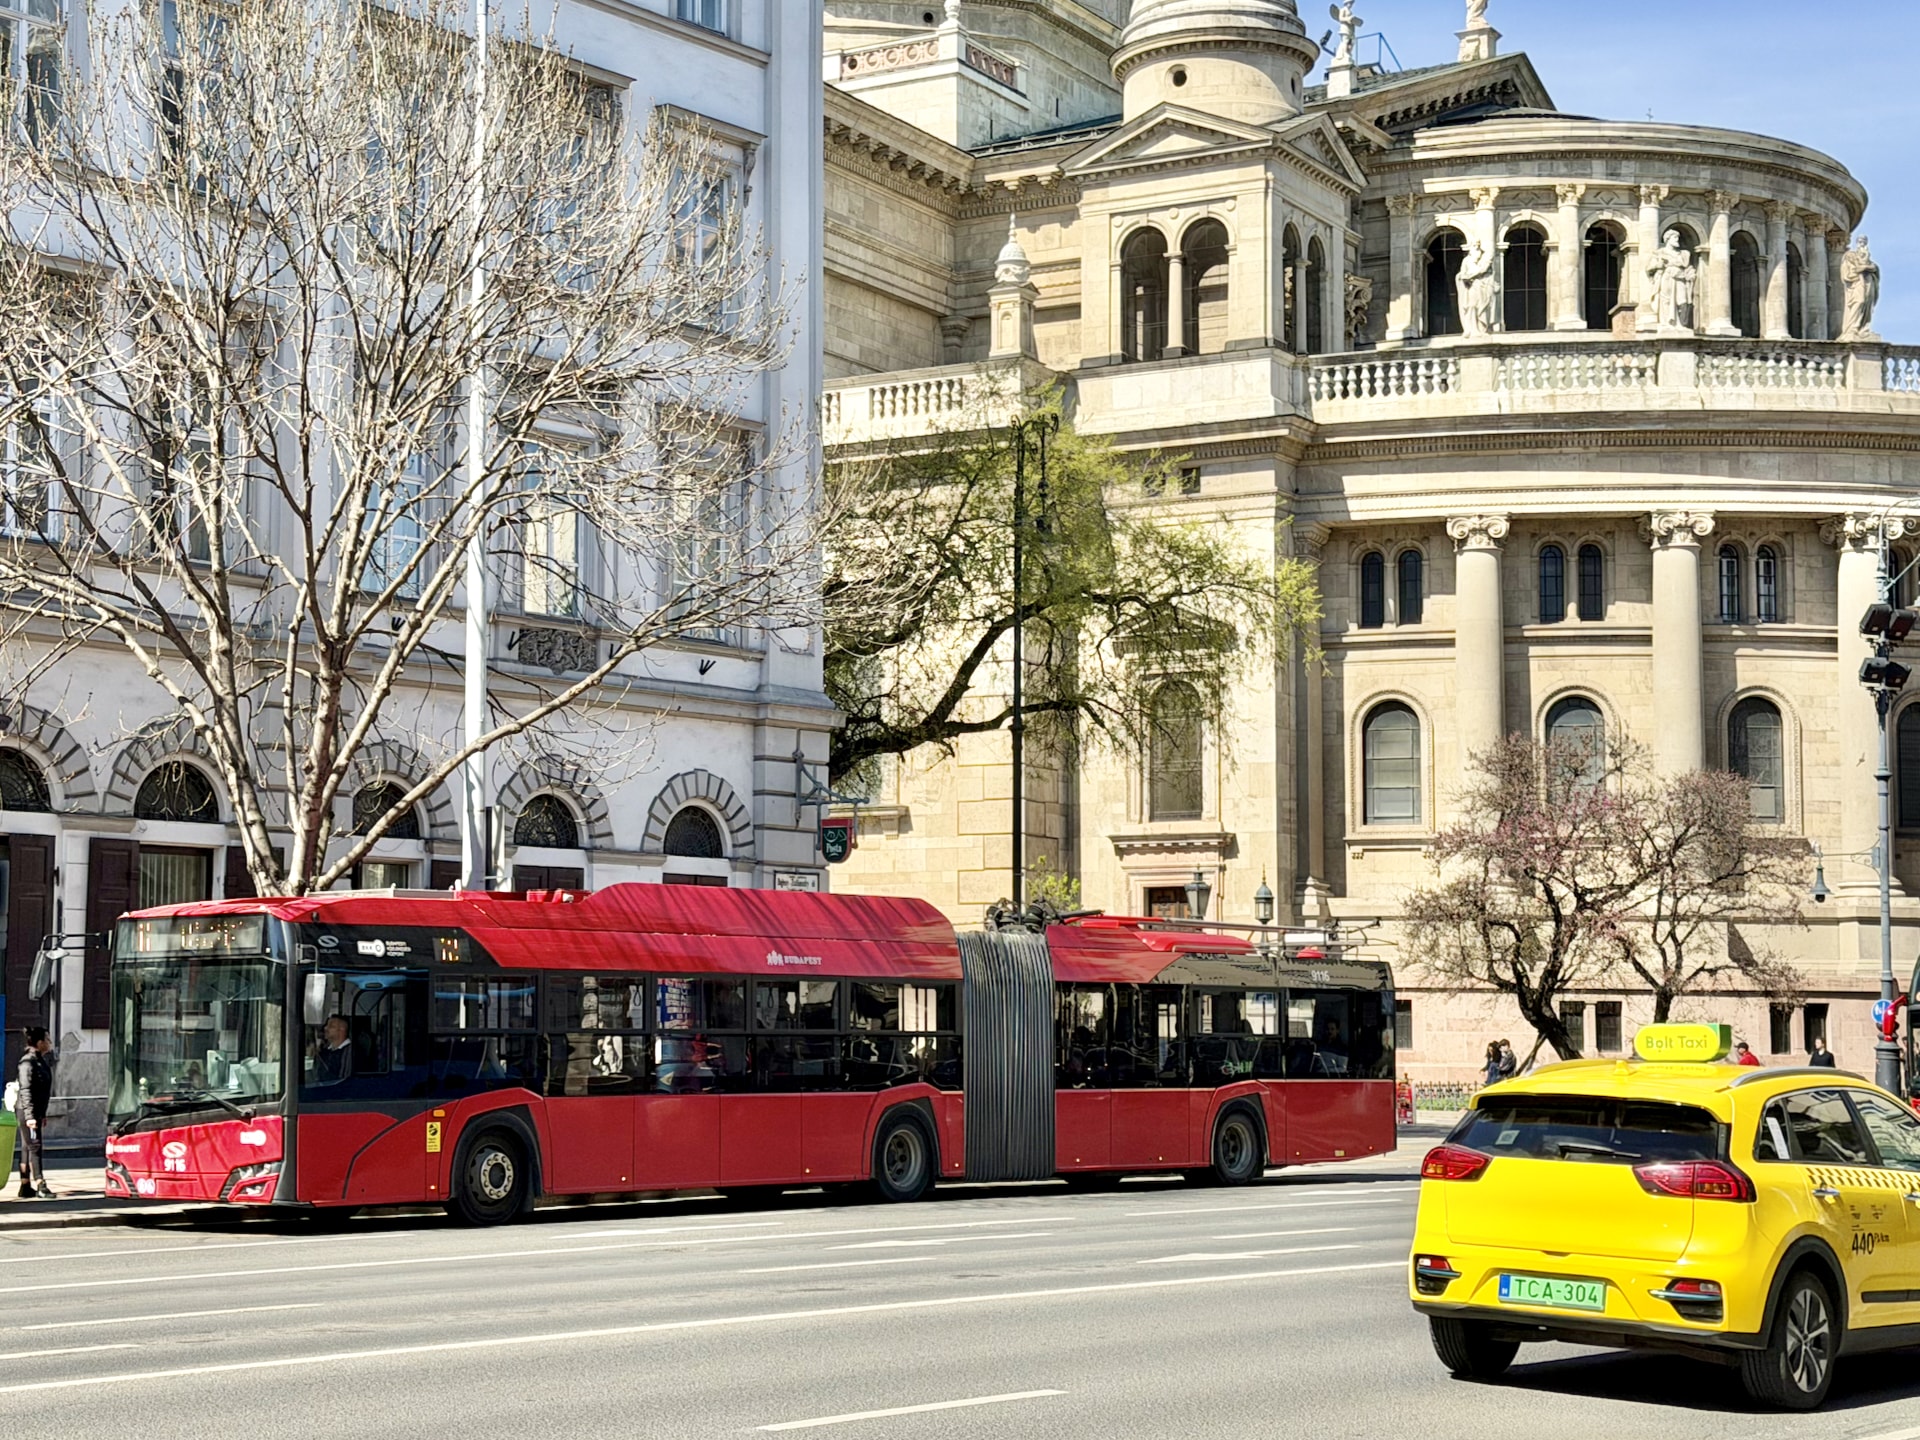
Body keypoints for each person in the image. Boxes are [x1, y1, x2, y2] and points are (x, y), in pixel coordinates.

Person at [15, 1027, 54, 1200]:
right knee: (35, 1146)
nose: (49, 1042)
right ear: (39, 1043)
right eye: (47, 1039)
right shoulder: (28, 1062)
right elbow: (26, 1090)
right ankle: (40, 1184)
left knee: (27, 1146)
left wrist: (42, 1114)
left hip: (34, 1111)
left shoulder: (39, 1060)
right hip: (26, 1112)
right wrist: (31, 1117)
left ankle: (25, 1186)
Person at [311, 1015, 352, 1085]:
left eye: (331, 1026)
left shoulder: (350, 1053)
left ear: (342, 1030)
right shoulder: (325, 1051)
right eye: (326, 1025)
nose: (325, 1028)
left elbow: (344, 1080)